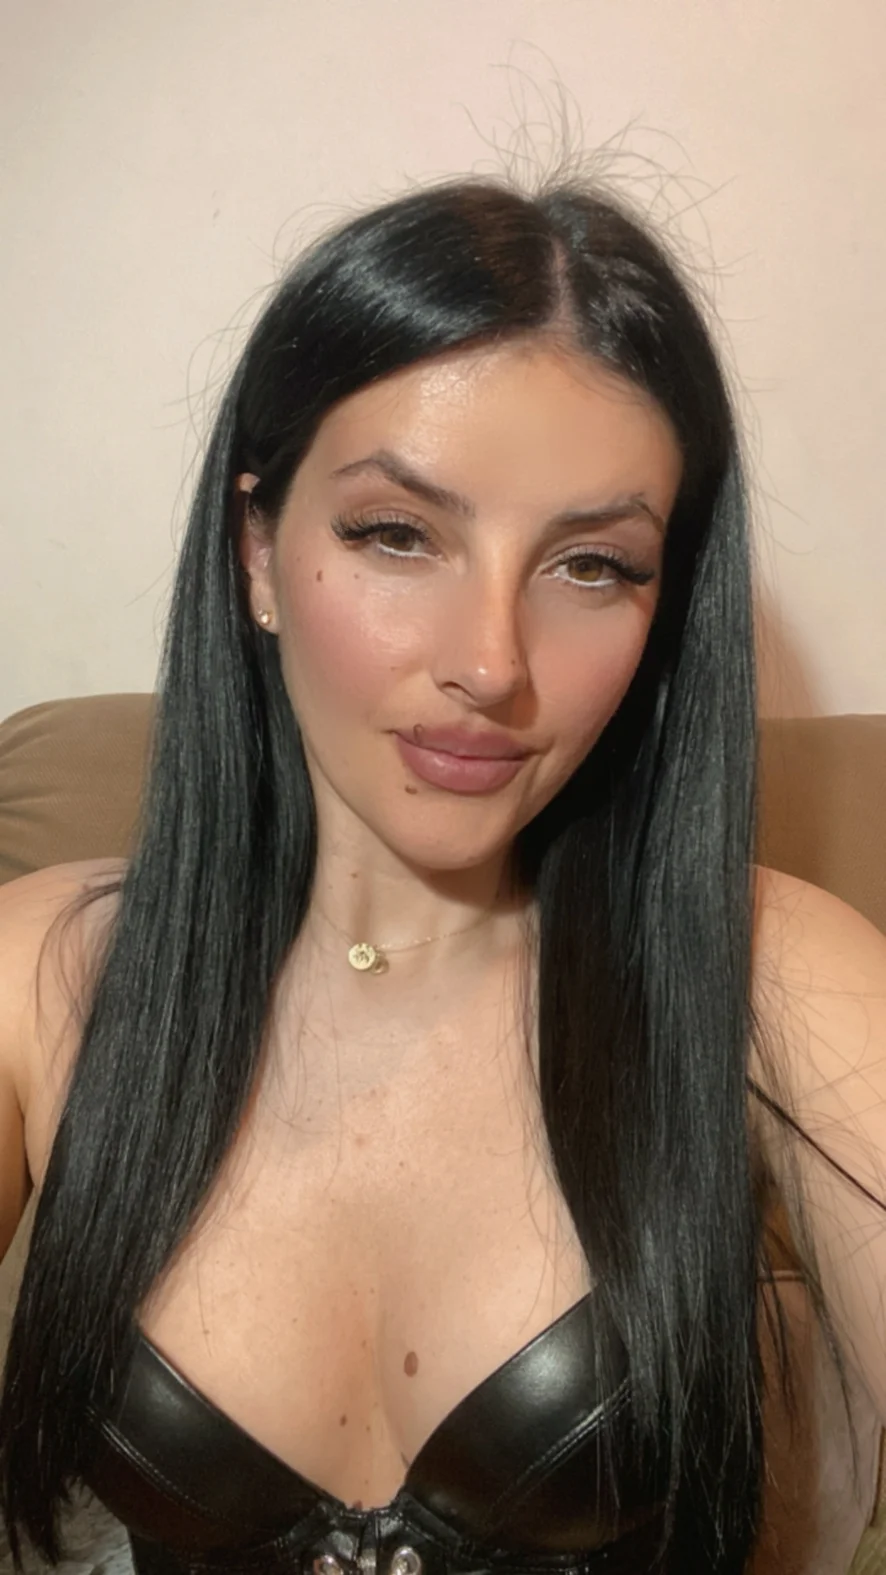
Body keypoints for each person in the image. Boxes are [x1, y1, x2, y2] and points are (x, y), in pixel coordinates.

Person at [0, 170, 884, 1575]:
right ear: (256, 552)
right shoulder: (48, 973)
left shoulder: (774, 970)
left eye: (592, 565)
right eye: (397, 534)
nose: (491, 662)